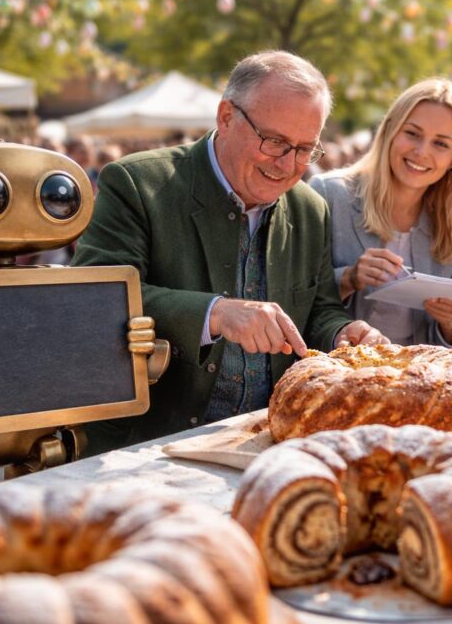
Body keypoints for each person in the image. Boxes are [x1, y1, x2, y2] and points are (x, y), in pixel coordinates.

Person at [72, 50, 387, 453]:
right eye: (274, 142)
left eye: (305, 149)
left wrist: (343, 333)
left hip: (265, 439)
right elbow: (95, 300)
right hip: (150, 444)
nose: (289, 164)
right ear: (226, 117)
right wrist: (217, 314)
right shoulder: (138, 182)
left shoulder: (310, 209)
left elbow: (319, 310)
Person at [310, 79, 452, 348]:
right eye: (412, 133)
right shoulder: (329, 194)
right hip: (340, 372)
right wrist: (349, 278)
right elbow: (295, 295)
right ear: (389, 131)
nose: (422, 152)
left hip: (415, 378)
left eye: (441, 144)